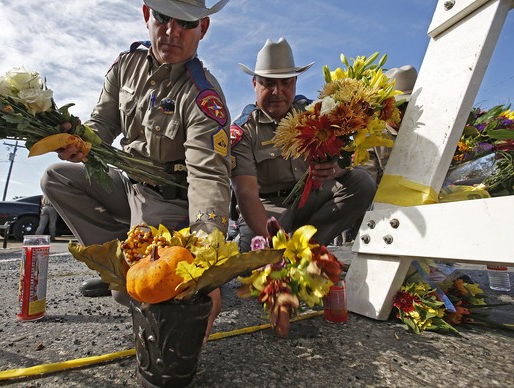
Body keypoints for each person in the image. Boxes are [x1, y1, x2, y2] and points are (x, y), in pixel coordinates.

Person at [41, 0, 230, 342]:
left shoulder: (203, 95)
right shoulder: (126, 66)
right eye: (163, 17)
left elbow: (208, 175)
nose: (171, 32)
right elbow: (103, 124)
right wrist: (79, 141)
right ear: (147, 16)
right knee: (56, 178)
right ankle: (114, 266)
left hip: (169, 198)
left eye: (186, 23)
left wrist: (207, 259)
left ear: (202, 28)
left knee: (136, 291)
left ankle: (131, 271)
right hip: (128, 186)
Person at [230, 38, 377, 252]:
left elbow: (347, 158)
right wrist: (274, 244)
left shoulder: (316, 113)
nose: (277, 92)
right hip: (268, 208)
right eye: (268, 83)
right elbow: (246, 193)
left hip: (312, 199)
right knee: (254, 262)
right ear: (255, 84)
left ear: (295, 82)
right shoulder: (243, 131)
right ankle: (282, 252)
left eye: (286, 82)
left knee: (361, 182)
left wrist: (337, 169)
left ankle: (308, 250)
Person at [358, 65, 418, 184]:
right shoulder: (373, 141)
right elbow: (367, 182)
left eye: (410, 105)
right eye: (400, 106)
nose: (404, 112)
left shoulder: (433, 130)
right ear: (386, 108)